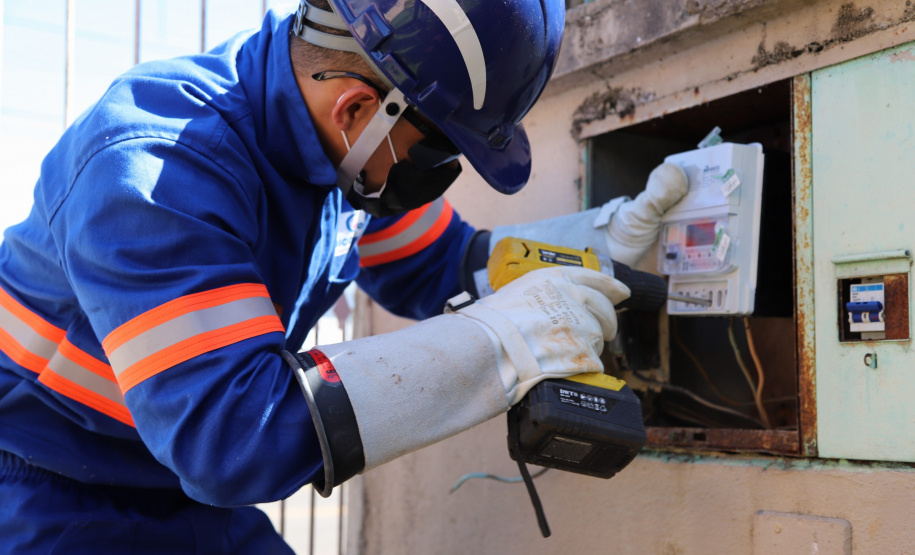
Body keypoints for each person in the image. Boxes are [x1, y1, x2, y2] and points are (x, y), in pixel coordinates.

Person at [0, 0, 686, 552]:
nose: (438, 177)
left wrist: (601, 238)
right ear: (359, 108)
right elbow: (237, 436)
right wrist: (501, 346)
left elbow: (442, 265)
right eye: (439, 150)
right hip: (50, 495)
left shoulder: (339, 153)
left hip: (186, 494)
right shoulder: (154, 170)